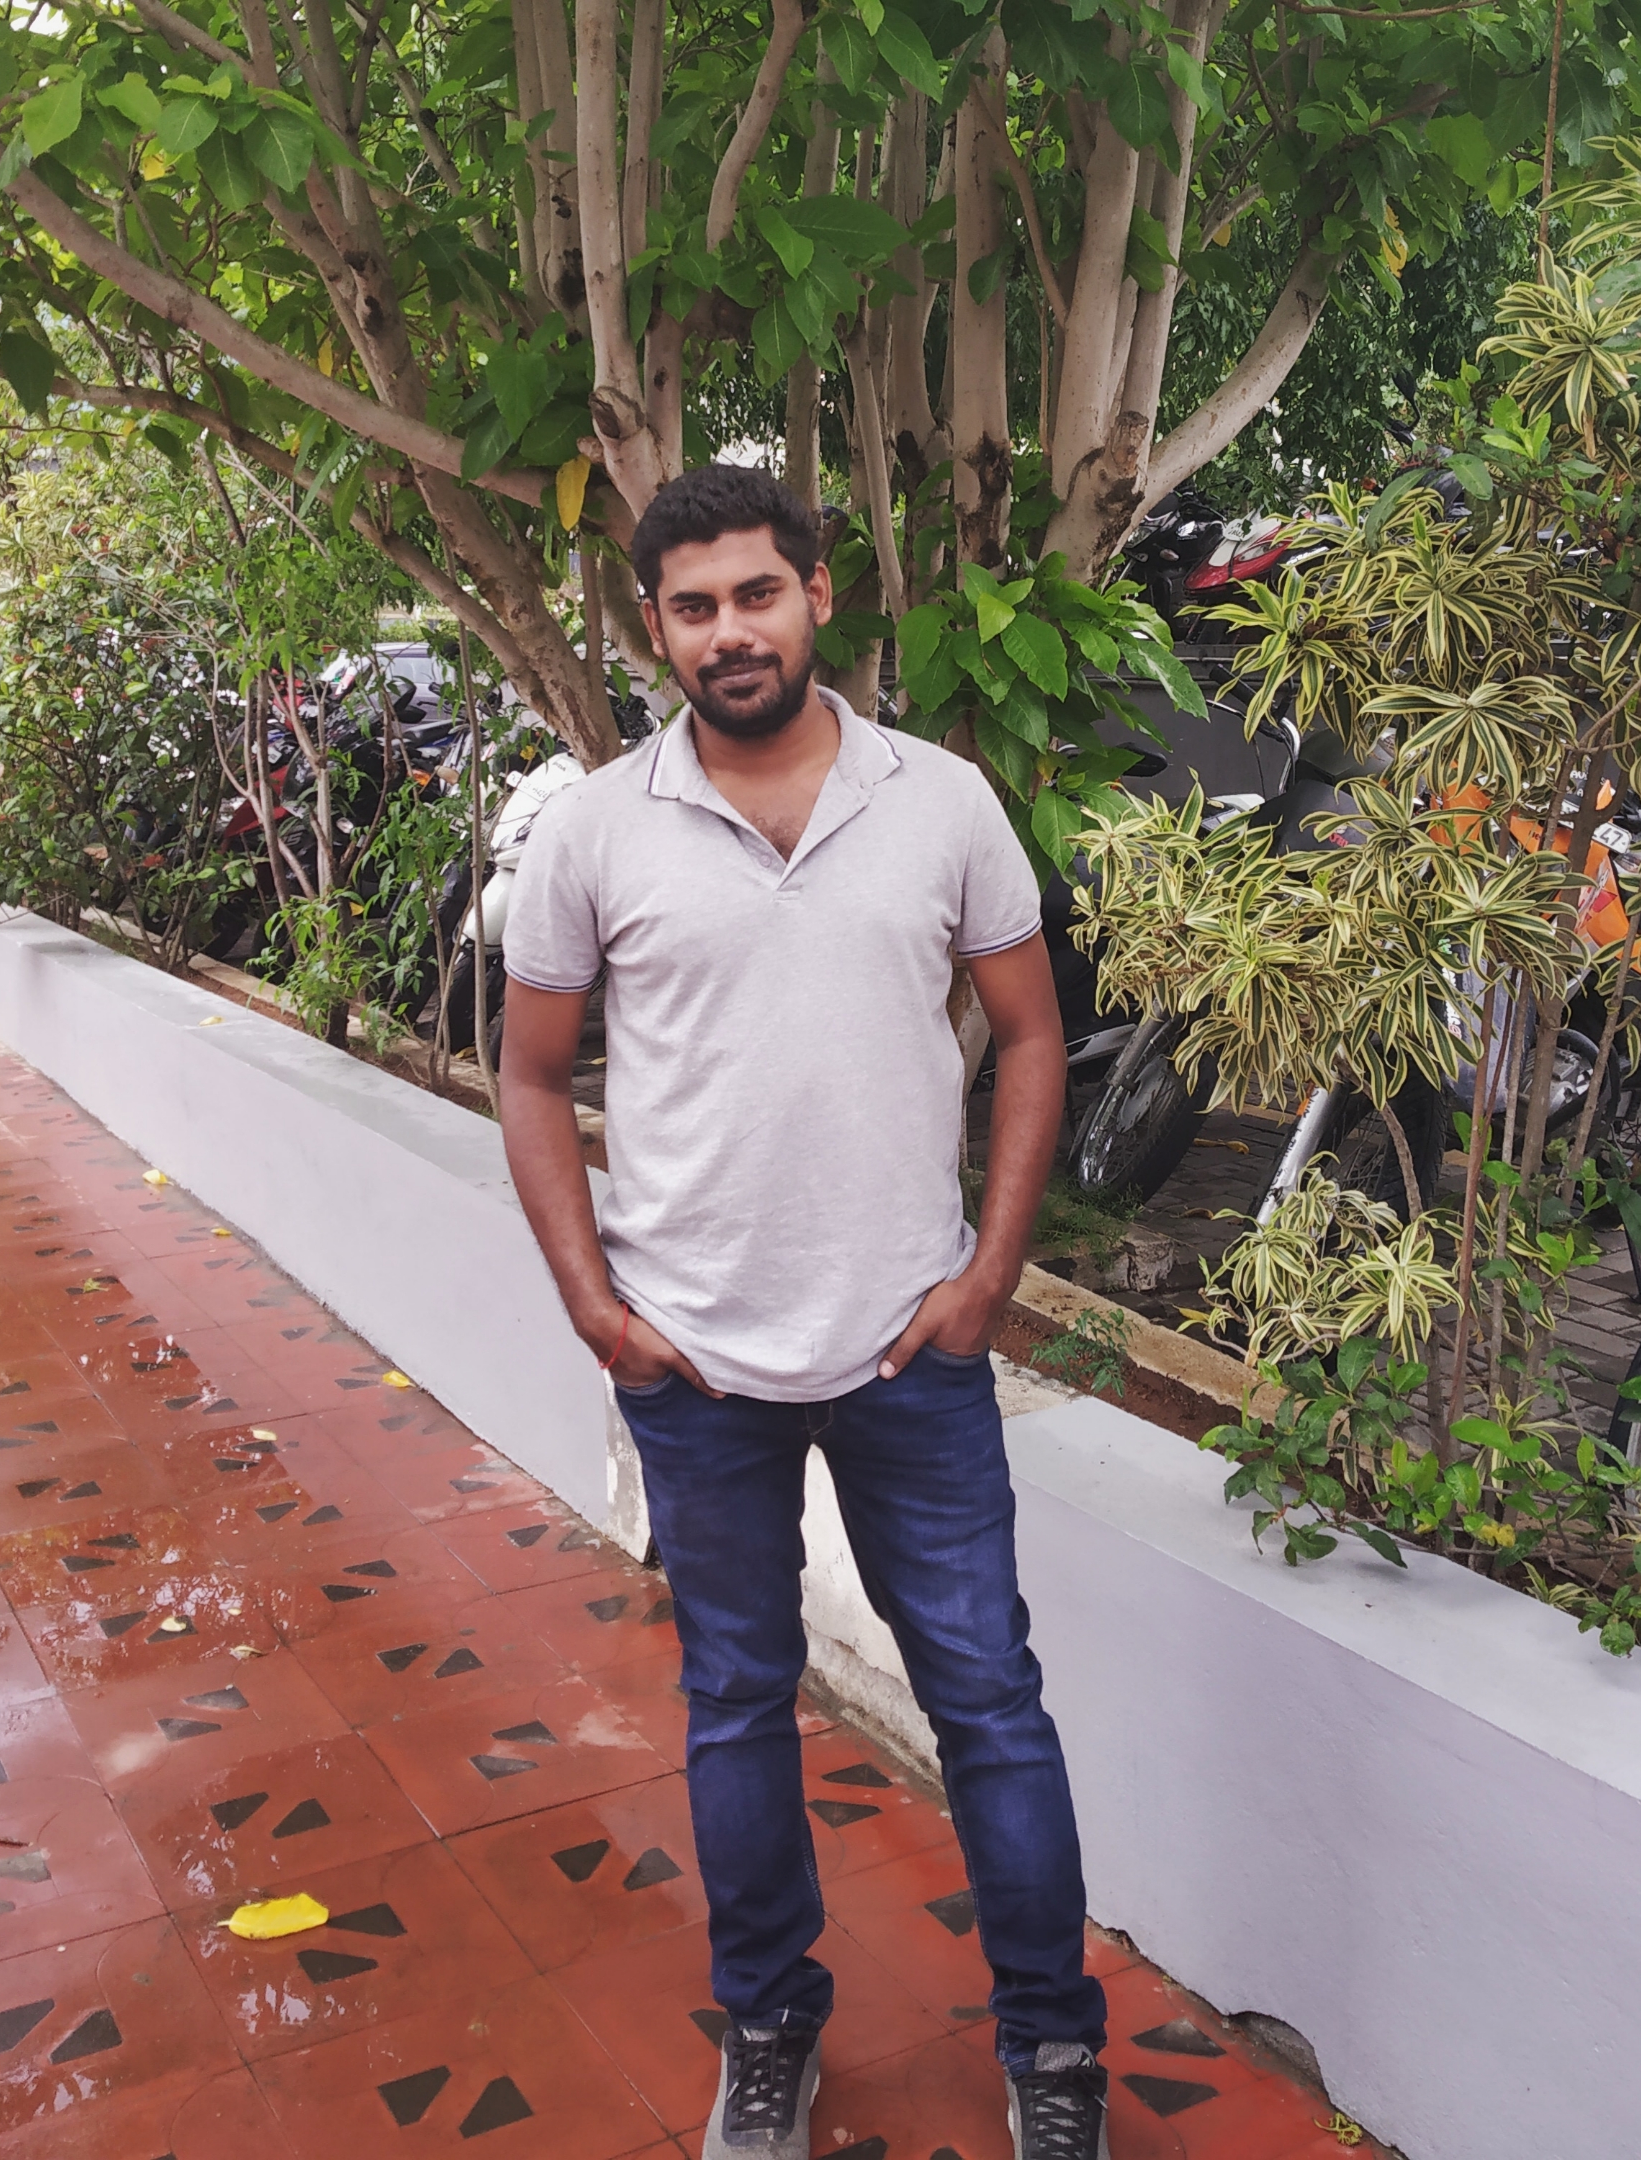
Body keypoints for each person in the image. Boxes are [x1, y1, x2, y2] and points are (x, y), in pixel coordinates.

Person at [499, 465, 1109, 2160]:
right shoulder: (596, 831)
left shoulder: (942, 802)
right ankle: (769, 2026)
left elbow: (1033, 1036)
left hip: (913, 1349)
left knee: (988, 1701)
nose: (730, 633)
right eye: (694, 608)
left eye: (756, 594)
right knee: (736, 1702)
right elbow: (531, 1074)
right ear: (655, 630)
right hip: (693, 1363)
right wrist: (593, 1306)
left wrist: (988, 1278)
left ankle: (1056, 2050)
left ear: (818, 593)